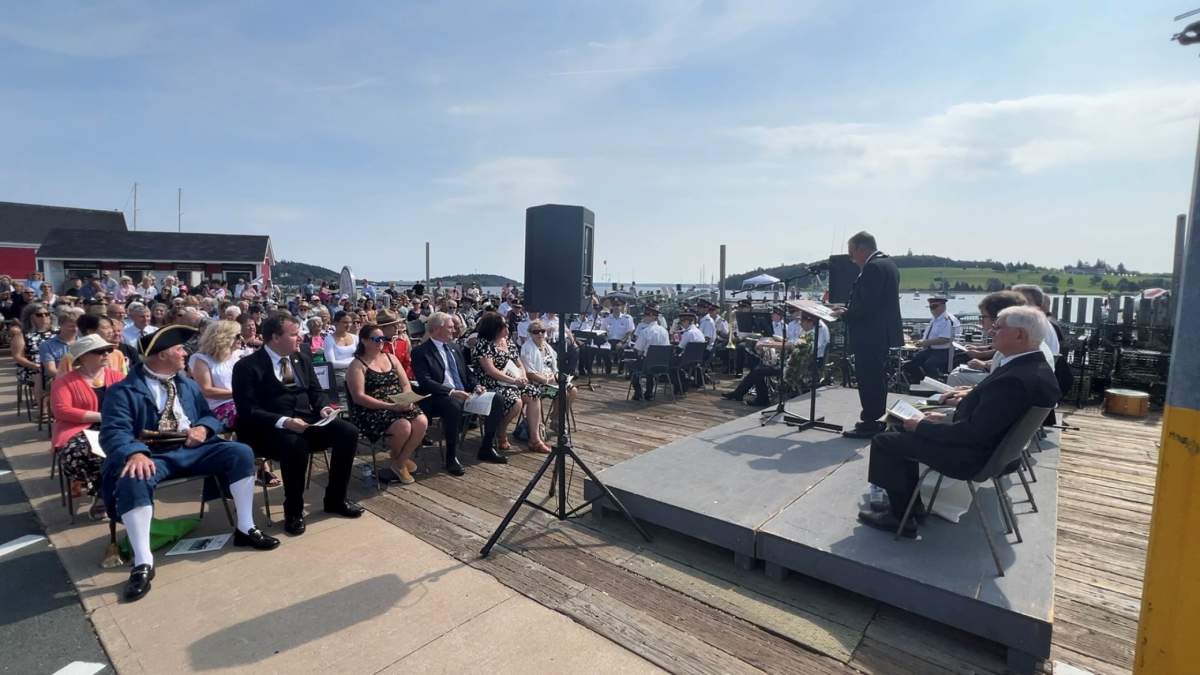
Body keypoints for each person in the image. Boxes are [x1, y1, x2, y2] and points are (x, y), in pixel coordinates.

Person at [100, 325, 280, 601]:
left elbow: (209, 416)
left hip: (193, 448)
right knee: (134, 476)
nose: (186, 353)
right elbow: (113, 433)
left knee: (240, 452)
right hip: (153, 454)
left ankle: (245, 527)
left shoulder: (184, 383)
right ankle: (143, 561)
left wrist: (204, 430)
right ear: (161, 355)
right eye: (179, 349)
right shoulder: (123, 391)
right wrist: (134, 452)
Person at [858, 306, 1061, 536]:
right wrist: (945, 418)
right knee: (904, 434)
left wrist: (924, 426)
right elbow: (990, 418)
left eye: (998, 327)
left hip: (974, 458)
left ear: (1020, 335)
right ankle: (909, 508)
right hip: (994, 452)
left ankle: (899, 518)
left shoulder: (1014, 379)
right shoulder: (1034, 368)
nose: (991, 332)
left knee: (886, 441)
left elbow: (972, 434)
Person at [232, 315, 364, 536]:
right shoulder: (247, 366)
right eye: (293, 334)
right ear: (275, 337)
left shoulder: (301, 359)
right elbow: (248, 410)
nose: (300, 337)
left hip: (306, 420)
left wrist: (324, 409)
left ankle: (335, 499)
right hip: (269, 429)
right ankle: (293, 511)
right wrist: (285, 422)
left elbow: (316, 392)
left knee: (348, 432)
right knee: (295, 445)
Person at [412, 312, 507, 476]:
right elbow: (425, 381)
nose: (454, 330)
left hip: (464, 393)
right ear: (436, 329)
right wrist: (451, 391)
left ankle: (486, 447)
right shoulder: (421, 352)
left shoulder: (455, 347)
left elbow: (467, 373)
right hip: (438, 397)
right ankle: (451, 457)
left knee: (497, 398)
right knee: (453, 405)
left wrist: (477, 385)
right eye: (450, 327)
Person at [832, 231, 902, 439]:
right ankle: (876, 419)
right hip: (880, 332)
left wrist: (845, 314)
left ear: (862, 249)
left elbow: (868, 305)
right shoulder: (888, 264)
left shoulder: (872, 267)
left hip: (870, 333)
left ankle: (871, 422)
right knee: (877, 378)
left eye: (852, 252)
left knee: (869, 378)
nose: (851, 258)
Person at [51, 335, 125, 519]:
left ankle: (106, 494)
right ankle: (103, 493)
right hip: (78, 429)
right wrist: (101, 416)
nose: (106, 354)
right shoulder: (64, 381)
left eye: (107, 350)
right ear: (83, 357)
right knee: (82, 452)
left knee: (121, 449)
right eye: (99, 351)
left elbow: (133, 401)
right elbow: (61, 410)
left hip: (116, 426)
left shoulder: (118, 377)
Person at [346, 323, 429, 486]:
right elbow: (359, 397)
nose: (380, 342)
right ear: (364, 341)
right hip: (372, 409)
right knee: (404, 427)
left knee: (422, 422)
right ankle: (400, 461)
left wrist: (408, 399)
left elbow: (405, 384)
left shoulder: (391, 357)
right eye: (376, 339)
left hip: (399, 402)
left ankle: (399, 461)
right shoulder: (357, 365)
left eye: (382, 338)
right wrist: (390, 406)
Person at [472, 311, 549, 453]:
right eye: (504, 326)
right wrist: (514, 380)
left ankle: (535, 439)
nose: (507, 328)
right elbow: (491, 371)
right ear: (494, 329)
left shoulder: (507, 342)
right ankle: (501, 431)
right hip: (492, 384)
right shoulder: (483, 344)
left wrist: (523, 376)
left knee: (533, 393)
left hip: (513, 381)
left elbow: (519, 363)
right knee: (516, 402)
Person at [721, 308, 805, 406]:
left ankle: (756, 397)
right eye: (792, 312)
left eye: (794, 312)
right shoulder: (792, 325)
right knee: (755, 365)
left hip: (792, 361)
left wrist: (769, 344)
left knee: (758, 371)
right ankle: (748, 395)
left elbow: (791, 345)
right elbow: (787, 341)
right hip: (784, 355)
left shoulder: (798, 328)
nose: (793, 314)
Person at [521, 319, 577, 419]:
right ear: (530, 333)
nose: (540, 334)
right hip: (539, 385)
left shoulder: (546, 346)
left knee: (573, 391)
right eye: (536, 332)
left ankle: (556, 417)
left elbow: (554, 367)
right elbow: (529, 373)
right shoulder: (527, 348)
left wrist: (555, 377)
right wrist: (546, 380)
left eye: (542, 331)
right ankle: (557, 421)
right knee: (562, 393)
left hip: (552, 380)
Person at [901, 296, 960, 383]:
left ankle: (935, 384)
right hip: (931, 350)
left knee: (929, 364)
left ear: (943, 306)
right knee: (910, 364)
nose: (932, 310)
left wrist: (925, 342)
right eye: (931, 307)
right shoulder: (935, 320)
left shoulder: (947, 320)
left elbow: (945, 339)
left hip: (945, 351)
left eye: (934, 307)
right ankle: (919, 383)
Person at [630, 306, 674, 400]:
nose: (644, 317)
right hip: (663, 365)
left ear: (652, 316)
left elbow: (638, 349)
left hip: (648, 365)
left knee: (633, 367)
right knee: (649, 367)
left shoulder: (645, 331)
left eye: (646, 315)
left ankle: (638, 393)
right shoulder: (664, 331)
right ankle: (649, 393)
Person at [11, 303, 54, 394]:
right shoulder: (23, 335)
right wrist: (35, 366)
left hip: (54, 365)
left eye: (47, 314)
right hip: (32, 368)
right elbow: (17, 356)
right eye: (39, 315)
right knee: (39, 374)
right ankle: (42, 405)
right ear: (31, 317)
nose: (44, 317)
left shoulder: (58, 332)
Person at [324, 310, 359, 405]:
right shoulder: (329, 339)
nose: (348, 325)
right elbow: (331, 363)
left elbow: (360, 356)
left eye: (349, 322)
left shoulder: (355, 338)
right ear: (335, 323)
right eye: (344, 322)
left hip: (355, 369)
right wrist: (354, 361)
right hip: (339, 373)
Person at [375, 309, 414, 379]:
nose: (397, 327)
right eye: (393, 325)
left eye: (397, 324)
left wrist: (404, 378)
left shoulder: (402, 343)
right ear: (382, 328)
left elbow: (407, 364)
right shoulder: (376, 345)